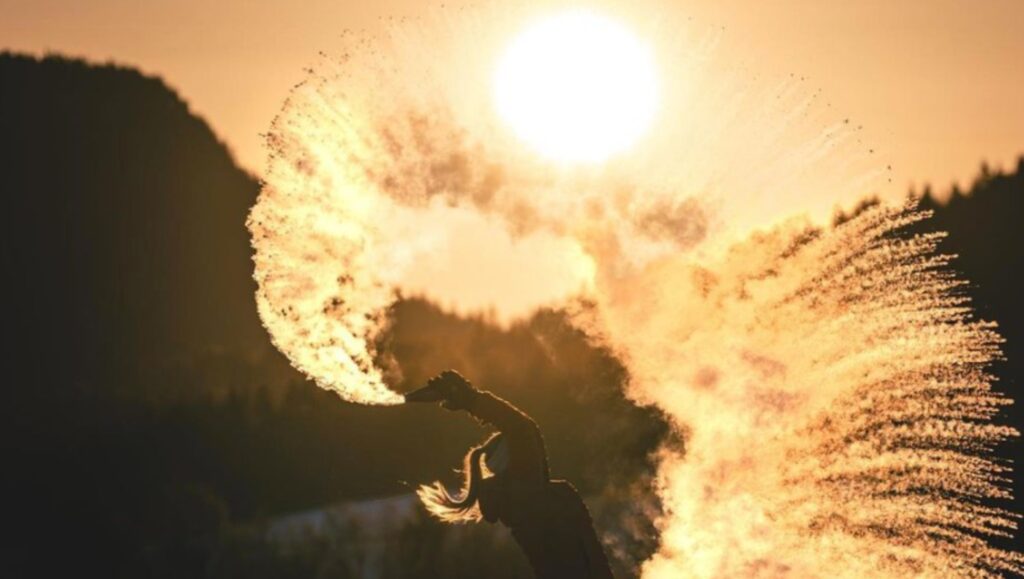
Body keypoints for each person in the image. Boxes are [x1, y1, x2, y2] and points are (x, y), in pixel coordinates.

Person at [406, 370, 615, 579]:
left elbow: (527, 431)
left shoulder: (527, 498)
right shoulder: (526, 497)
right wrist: (471, 399)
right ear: (515, 463)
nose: (533, 450)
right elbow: (523, 430)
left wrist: (471, 399)